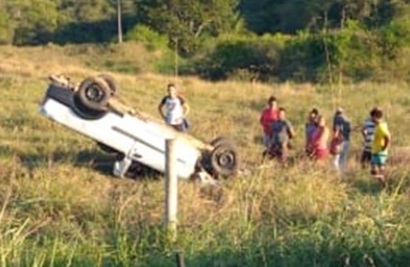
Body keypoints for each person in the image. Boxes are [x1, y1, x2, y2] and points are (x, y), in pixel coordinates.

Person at [370, 108, 391, 187]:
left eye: (372, 117)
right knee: (374, 171)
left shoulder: (381, 127)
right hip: (376, 151)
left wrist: (385, 147)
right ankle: (384, 185)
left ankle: (385, 186)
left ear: (375, 116)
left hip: (380, 152)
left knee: (377, 171)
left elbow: (388, 137)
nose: (371, 119)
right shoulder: (379, 126)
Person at [331, 107, 351, 174]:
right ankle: (342, 176)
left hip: (339, 142)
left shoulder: (337, 118)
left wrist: (333, 141)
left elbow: (336, 130)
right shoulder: (347, 119)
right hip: (347, 141)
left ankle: (337, 175)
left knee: (335, 161)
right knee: (343, 161)